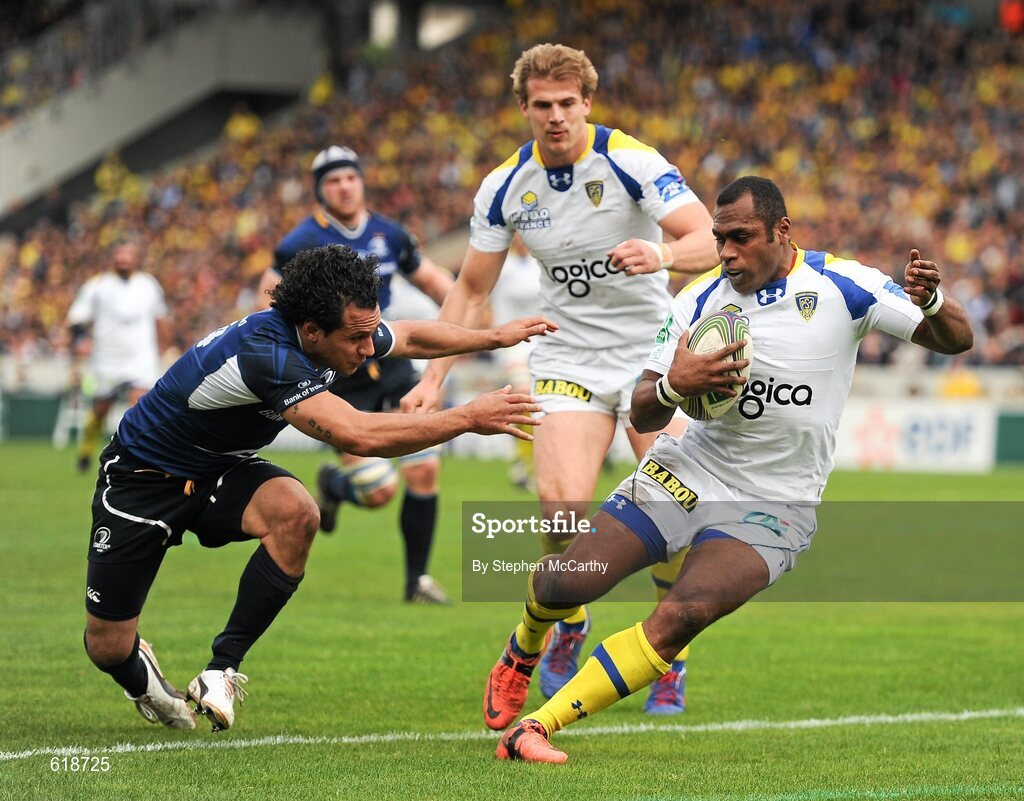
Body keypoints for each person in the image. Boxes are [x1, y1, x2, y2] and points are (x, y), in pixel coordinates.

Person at [492, 176, 974, 763]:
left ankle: (536, 729)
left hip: (775, 502)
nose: (725, 252)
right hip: (691, 470)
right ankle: (525, 645)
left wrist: (929, 301)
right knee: (568, 581)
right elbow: (642, 405)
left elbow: (956, 340)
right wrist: (675, 384)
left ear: (781, 231)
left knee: (684, 614)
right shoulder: (698, 298)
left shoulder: (845, 286)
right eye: (719, 238)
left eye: (740, 237)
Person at [84, 244, 552, 733]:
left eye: (371, 334)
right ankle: (143, 683)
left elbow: (410, 335)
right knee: (108, 647)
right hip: (143, 479)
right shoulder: (267, 355)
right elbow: (359, 434)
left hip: (220, 469)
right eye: (357, 339)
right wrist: (467, 417)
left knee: (297, 514)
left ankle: (221, 669)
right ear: (311, 331)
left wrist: (493, 338)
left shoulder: (329, 329)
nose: (369, 350)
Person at [401, 43, 719, 717]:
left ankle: (671, 656)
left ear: (587, 103)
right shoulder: (505, 186)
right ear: (523, 108)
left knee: (678, 511)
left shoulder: (631, 159)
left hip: (650, 359)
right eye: (541, 105)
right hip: (567, 357)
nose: (555, 117)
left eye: (567, 104)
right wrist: (435, 376)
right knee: (560, 507)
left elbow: (711, 237)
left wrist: (661, 251)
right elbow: (470, 290)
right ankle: (567, 618)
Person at [258, 146, 456, 604]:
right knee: (379, 490)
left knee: (424, 470)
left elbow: (435, 282)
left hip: (390, 363)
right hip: (339, 378)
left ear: (361, 181)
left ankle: (418, 582)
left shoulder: (391, 233)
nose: (344, 186)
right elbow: (263, 301)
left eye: (350, 177)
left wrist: (467, 308)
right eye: (333, 180)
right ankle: (333, 484)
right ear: (320, 191)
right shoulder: (298, 242)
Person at [67, 237, 169, 472]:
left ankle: (138, 458)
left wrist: (166, 345)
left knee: (142, 405)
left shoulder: (149, 285)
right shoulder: (97, 286)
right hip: (107, 358)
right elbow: (76, 319)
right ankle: (85, 450)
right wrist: (81, 341)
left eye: (128, 254)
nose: (123, 259)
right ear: (113, 258)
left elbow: (161, 318)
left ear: (136, 258)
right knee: (101, 408)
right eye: (119, 254)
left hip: (141, 356)